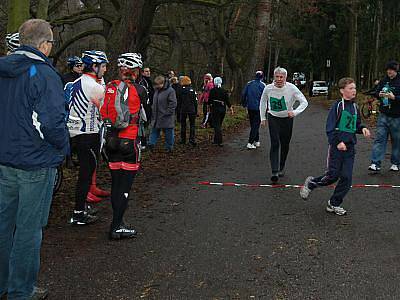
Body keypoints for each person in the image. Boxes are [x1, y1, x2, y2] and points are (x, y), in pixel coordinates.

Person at [0, 19, 69, 299]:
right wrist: (63, 147)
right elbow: (51, 123)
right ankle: (20, 291)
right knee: (29, 231)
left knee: (3, 226)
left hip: (5, 160)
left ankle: (3, 284)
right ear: (44, 44)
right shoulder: (43, 74)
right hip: (35, 164)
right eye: (51, 43)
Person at [300, 77, 371, 215]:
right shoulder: (337, 107)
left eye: (355, 88)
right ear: (342, 91)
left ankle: (334, 203)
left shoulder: (355, 107)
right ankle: (311, 183)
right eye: (351, 88)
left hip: (350, 148)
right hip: (336, 148)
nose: (354, 91)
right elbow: (330, 128)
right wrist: (338, 142)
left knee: (346, 178)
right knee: (333, 176)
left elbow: (355, 126)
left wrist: (362, 129)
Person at [101, 53, 148, 239]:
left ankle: (118, 222)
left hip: (111, 141)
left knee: (116, 184)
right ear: (135, 71)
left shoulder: (110, 87)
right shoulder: (140, 89)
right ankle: (116, 226)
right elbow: (146, 113)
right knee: (126, 187)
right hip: (130, 142)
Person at [66, 50, 110, 225]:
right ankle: (78, 213)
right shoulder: (95, 87)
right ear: (95, 66)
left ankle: (81, 207)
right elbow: (107, 111)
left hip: (74, 134)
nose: (105, 69)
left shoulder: (75, 82)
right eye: (104, 66)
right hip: (89, 135)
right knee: (86, 174)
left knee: (84, 173)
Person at [260, 67, 308, 183]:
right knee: (275, 143)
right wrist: (263, 117)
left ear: (286, 78)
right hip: (273, 118)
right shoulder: (268, 88)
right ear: (274, 77)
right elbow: (263, 101)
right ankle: (274, 171)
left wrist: (295, 112)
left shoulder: (292, 88)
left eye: (282, 77)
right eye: (277, 77)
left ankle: (281, 167)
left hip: (287, 119)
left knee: (285, 144)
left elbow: (304, 102)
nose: (279, 79)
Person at [368, 61, 400, 172]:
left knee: (396, 140)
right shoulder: (384, 80)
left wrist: (394, 97)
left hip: (396, 117)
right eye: (388, 70)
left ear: (396, 70)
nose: (389, 72)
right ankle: (375, 163)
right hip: (383, 115)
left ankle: (396, 163)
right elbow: (375, 92)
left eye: (391, 70)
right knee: (379, 139)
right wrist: (379, 94)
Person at [148, 76, 177, 152]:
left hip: (166, 116)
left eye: (159, 84)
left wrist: (168, 112)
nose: (157, 86)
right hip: (156, 116)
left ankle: (169, 147)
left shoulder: (170, 91)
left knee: (168, 133)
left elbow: (173, 103)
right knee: (154, 131)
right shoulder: (157, 90)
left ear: (163, 83)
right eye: (156, 84)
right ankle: (151, 143)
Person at [241, 70, 266, 149]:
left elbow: (243, 94)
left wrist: (244, 103)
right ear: (262, 77)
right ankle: (250, 142)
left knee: (253, 124)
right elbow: (266, 97)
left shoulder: (249, 84)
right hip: (259, 108)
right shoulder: (263, 85)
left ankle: (257, 140)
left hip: (250, 107)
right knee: (255, 125)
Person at [208, 77, 234, 146]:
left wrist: (209, 106)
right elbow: (227, 101)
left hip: (215, 110)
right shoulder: (224, 91)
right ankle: (216, 140)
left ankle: (218, 141)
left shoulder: (212, 91)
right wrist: (231, 108)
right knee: (219, 125)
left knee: (216, 125)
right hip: (222, 110)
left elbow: (209, 101)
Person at [176, 76, 198, 145]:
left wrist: (178, 111)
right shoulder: (192, 90)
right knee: (192, 125)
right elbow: (195, 101)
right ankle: (192, 140)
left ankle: (183, 140)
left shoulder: (180, 91)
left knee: (183, 125)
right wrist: (196, 110)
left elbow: (179, 101)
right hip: (191, 109)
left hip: (183, 109)